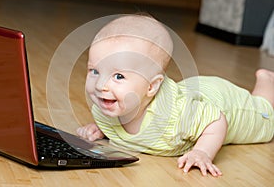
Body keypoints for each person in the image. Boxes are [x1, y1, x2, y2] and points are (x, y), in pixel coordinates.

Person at [76, 14, 274, 177]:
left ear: (152, 87)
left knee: (265, 117)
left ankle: (266, 81)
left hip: (226, 104)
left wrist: (202, 151)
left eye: (118, 76)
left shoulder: (176, 115)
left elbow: (216, 120)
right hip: (192, 91)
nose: (101, 85)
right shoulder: (106, 106)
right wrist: (102, 129)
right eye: (94, 71)